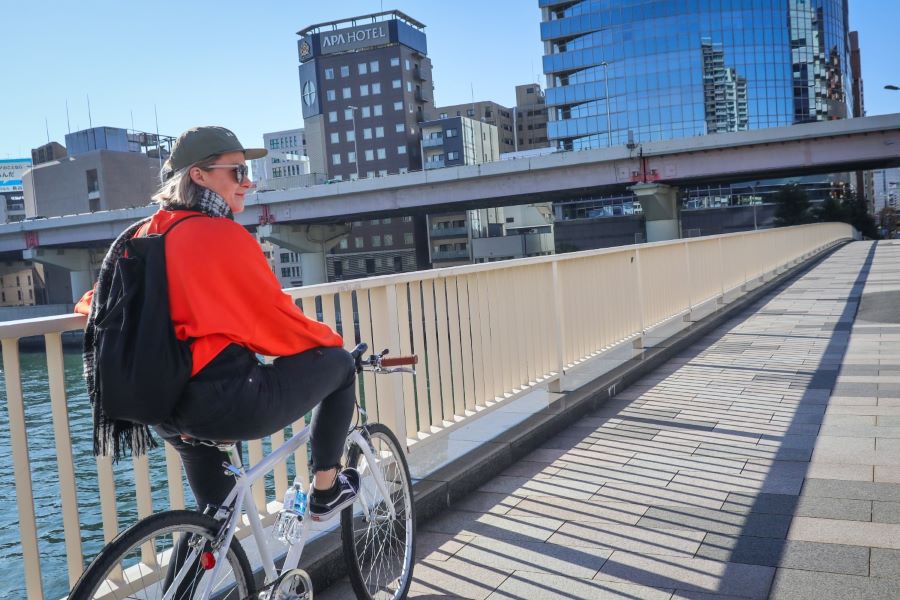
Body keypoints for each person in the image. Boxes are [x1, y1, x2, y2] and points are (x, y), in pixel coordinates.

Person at [78, 126, 359, 522]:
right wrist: (333, 344)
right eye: (237, 172)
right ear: (199, 175)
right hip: (226, 402)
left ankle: (190, 582)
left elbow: (95, 303)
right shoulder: (221, 235)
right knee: (339, 366)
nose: (248, 182)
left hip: (165, 407)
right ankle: (326, 491)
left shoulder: (142, 233)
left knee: (214, 520)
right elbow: (275, 322)